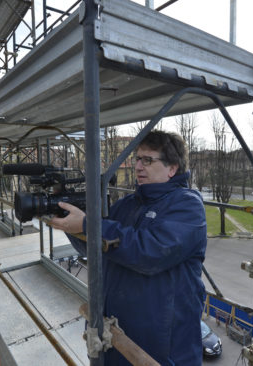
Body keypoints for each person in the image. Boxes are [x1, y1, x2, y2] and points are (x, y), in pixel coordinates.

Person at [50, 130, 207, 365]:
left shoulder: (187, 206)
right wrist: (65, 217)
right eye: (137, 159)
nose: (138, 166)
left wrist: (87, 225)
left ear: (172, 168)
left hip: (161, 348)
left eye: (148, 160)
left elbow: (150, 252)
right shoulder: (127, 205)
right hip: (117, 337)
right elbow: (97, 250)